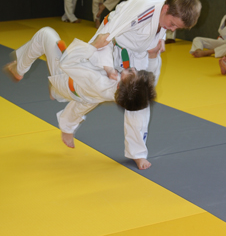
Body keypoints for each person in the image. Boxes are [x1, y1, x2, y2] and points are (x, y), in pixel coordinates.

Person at [3, 27, 158, 170]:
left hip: (65, 79)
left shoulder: (99, 81)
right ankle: (66, 126)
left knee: (45, 34)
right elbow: (144, 81)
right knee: (84, 103)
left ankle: (19, 69)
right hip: (81, 92)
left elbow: (68, 63)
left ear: (121, 84)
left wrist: (95, 46)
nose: (132, 68)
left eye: (131, 71)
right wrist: (152, 57)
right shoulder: (121, 90)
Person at [88, 0, 202, 169]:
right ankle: (62, 99)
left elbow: (163, 26)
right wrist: (99, 58)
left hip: (141, 51)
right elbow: (106, 34)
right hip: (115, 46)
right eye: (172, 24)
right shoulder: (141, 10)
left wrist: (159, 40)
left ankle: (137, 153)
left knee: (140, 99)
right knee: (85, 85)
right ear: (165, 9)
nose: (172, 29)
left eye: (176, 28)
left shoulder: (167, 13)